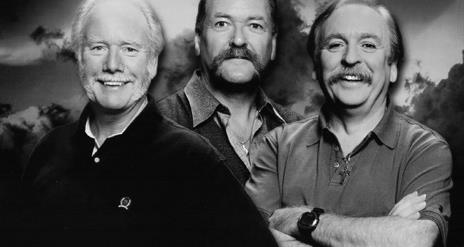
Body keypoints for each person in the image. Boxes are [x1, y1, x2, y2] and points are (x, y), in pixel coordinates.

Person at [19, 0, 278, 246]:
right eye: (98, 47)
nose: (112, 65)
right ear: (79, 57)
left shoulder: (193, 159)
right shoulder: (49, 149)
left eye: (130, 49)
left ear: (152, 63)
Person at [245, 0, 453, 246]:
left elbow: (413, 240)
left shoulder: (425, 150)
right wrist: (381, 231)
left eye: (368, 45)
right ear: (316, 65)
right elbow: (245, 238)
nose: (351, 58)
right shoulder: (277, 146)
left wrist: (297, 220)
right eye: (335, 45)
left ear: (393, 67)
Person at [156, 0, 301, 185]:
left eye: (255, 25)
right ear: (198, 40)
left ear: (272, 44)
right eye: (222, 24)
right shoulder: (151, 127)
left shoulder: (300, 130)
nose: (238, 40)